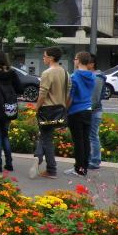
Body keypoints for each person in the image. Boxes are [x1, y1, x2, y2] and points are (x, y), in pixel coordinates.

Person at [30, 47, 71, 180]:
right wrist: (65, 106)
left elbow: (42, 94)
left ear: (51, 58)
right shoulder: (66, 72)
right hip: (59, 110)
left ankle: (50, 168)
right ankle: (39, 156)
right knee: (46, 136)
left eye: (45, 56)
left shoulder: (47, 73)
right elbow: (69, 93)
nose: (43, 58)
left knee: (46, 138)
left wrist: (36, 107)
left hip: (47, 110)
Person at [64, 52, 95, 177]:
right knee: (86, 140)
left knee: (78, 141)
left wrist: (65, 109)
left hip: (76, 111)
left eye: (75, 58)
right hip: (88, 109)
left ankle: (78, 169)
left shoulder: (74, 77)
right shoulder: (92, 76)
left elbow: (70, 98)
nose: (73, 60)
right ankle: (84, 167)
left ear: (79, 61)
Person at [87, 54, 106, 170]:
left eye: (86, 62)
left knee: (93, 136)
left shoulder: (97, 76)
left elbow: (94, 98)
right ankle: (91, 159)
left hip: (94, 111)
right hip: (92, 110)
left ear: (92, 64)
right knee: (91, 136)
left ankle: (94, 161)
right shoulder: (92, 75)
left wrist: (87, 110)